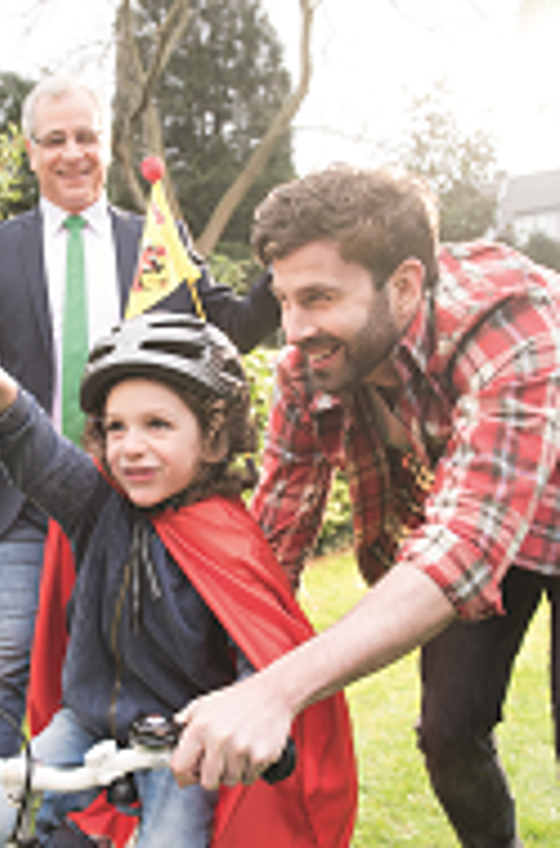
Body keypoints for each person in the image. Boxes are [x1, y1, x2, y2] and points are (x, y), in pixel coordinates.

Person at [170, 164, 560, 847]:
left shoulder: (514, 320)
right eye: (283, 299)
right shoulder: (306, 370)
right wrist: (203, 662)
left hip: (522, 509)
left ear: (406, 284)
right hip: (480, 521)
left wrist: (277, 691)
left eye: (317, 298)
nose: (292, 330)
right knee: (447, 733)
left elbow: (464, 549)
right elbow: (277, 536)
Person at [0, 74, 280, 846]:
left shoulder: (151, 239)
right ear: (30, 152)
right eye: (54, 139)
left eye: (86, 136)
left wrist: (287, 266)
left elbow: (228, 321)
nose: (72, 152)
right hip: (33, 498)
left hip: (144, 499)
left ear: (107, 146)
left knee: (161, 649)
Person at [0, 312, 357, 848]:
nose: (130, 446)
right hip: (84, 720)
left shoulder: (230, 542)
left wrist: (257, 714)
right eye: (116, 426)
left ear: (213, 440)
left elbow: (256, 655)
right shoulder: (97, 506)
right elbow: (39, 457)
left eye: (157, 424)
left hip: (176, 744)